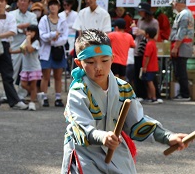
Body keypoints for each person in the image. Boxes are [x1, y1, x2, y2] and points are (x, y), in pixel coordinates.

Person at [62, 29, 190, 173]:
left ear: (112, 58)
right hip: (85, 154)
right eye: (90, 62)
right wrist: (103, 136)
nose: (98, 67)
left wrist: (167, 137)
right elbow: (81, 128)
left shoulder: (123, 88)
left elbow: (136, 123)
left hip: (116, 150)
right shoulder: (79, 91)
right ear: (79, 63)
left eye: (104, 60)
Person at [37, 0, 68, 107]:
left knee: (58, 76)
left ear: (59, 7)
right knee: (45, 76)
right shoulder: (44, 20)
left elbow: (65, 38)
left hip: (58, 50)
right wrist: (53, 35)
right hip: (46, 51)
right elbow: (42, 36)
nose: (53, 7)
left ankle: (58, 98)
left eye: (55, 5)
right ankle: (44, 97)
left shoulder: (63, 20)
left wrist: (53, 41)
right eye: (51, 5)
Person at [9, 0, 38, 100]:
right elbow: (11, 29)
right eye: (20, 0)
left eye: (25, 0)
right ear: (17, 2)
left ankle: (22, 94)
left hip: (28, 46)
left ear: (29, 3)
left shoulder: (33, 16)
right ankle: (10, 94)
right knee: (12, 69)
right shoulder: (11, 14)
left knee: (25, 71)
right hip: (14, 45)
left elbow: (34, 30)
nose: (22, 2)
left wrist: (20, 28)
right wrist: (24, 27)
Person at [131, 2, 159, 101]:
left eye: (141, 11)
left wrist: (142, 32)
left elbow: (155, 36)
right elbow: (137, 33)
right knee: (138, 73)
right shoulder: (140, 21)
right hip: (139, 49)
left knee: (149, 75)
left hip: (148, 50)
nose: (139, 12)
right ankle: (141, 94)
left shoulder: (154, 22)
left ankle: (153, 95)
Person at [10, 24, 42, 111]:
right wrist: (12, 52)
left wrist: (28, 39)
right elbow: (22, 49)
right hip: (25, 68)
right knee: (23, 84)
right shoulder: (26, 41)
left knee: (33, 84)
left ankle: (32, 102)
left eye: (31, 31)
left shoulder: (36, 42)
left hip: (34, 68)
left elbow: (30, 49)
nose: (29, 33)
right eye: (28, 31)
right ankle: (35, 94)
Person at [170, 0, 194, 101]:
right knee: (179, 70)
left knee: (181, 70)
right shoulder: (185, 14)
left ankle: (185, 94)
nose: (174, 6)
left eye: (174, 4)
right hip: (183, 46)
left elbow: (182, 32)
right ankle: (183, 93)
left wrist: (175, 47)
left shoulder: (184, 15)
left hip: (182, 46)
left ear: (179, 4)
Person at [142, 27, 160, 104]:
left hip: (150, 67)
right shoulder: (153, 43)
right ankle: (150, 97)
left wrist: (145, 66)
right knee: (148, 81)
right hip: (153, 66)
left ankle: (153, 97)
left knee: (150, 82)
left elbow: (147, 56)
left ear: (147, 35)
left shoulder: (149, 44)